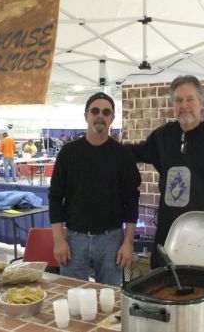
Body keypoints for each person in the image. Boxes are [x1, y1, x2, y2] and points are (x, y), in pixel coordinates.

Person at [127, 75, 204, 269]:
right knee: (163, 287)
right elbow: (135, 152)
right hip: (169, 235)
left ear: (201, 102)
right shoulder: (164, 136)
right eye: (178, 100)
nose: (184, 105)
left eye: (189, 99)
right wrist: (106, 147)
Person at [49, 92, 141, 286]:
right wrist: (58, 239)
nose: (101, 115)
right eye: (95, 111)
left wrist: (128, 242)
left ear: (112, 118)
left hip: (112, 241)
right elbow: (55, 197)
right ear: (86, 115)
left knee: (111, 302)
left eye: (106, 112)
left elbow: (132, 200)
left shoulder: (123, 155)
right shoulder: (68, 153)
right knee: (72, 299)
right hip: (74, 239)